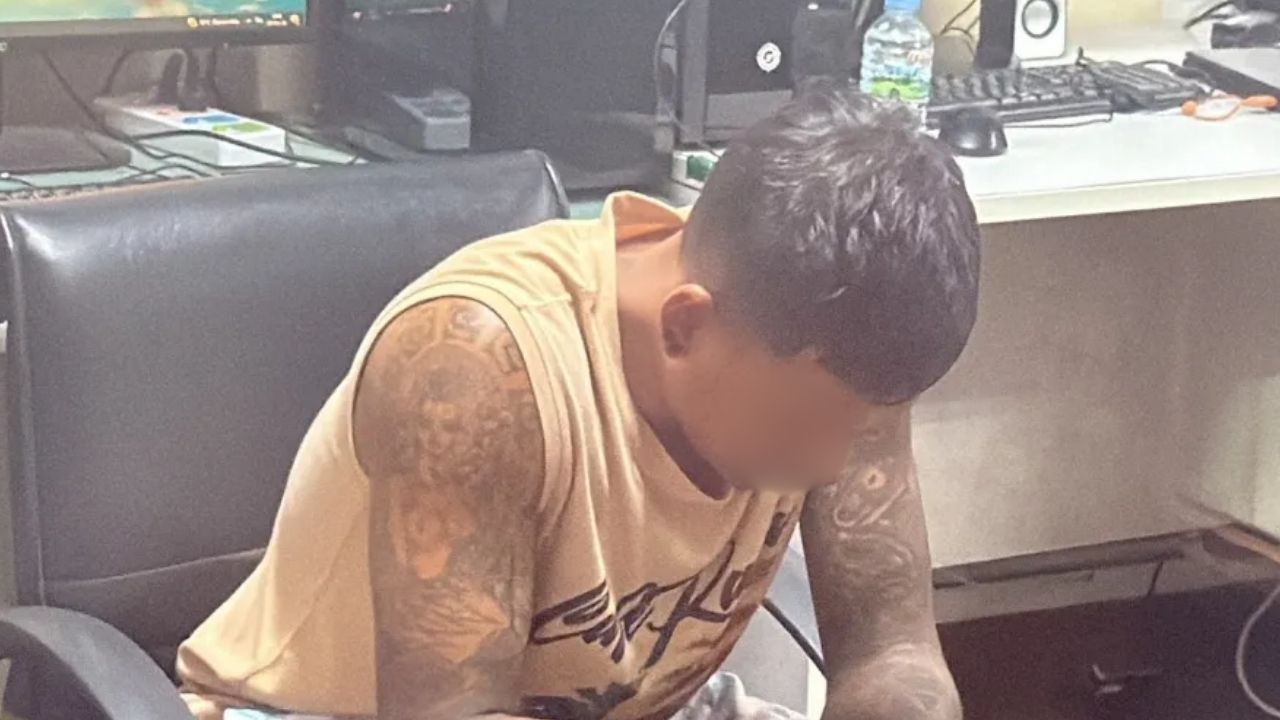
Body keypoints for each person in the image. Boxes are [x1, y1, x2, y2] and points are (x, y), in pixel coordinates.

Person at [177, 86, 981, 720]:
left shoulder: (839, 337)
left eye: (859, 423)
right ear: (685, 326)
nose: (833, 462)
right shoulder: (477, 373)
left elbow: (893, 655)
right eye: (806, 422)